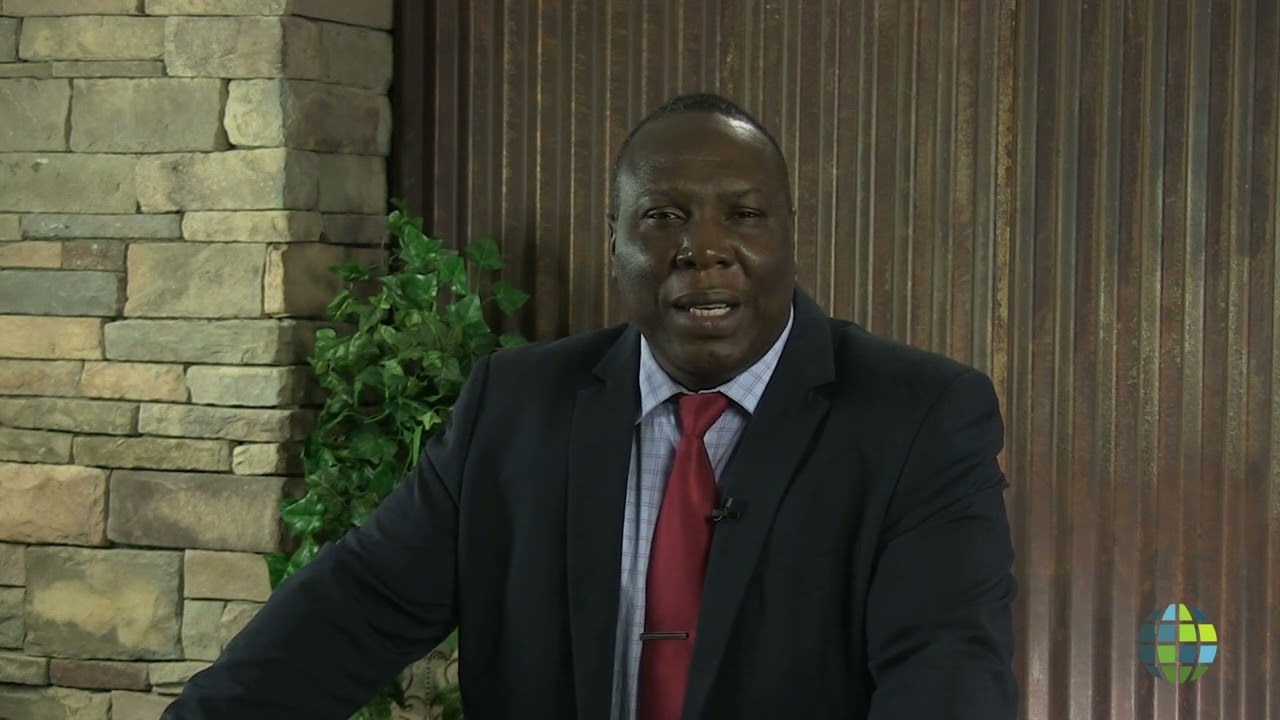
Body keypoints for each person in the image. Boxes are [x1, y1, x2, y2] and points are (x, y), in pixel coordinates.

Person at [164, 93, 1017, 719]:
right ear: (614, 241)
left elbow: (946, 675)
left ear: (789, 232)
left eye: (744, 215)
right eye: (663, 216)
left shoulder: (920, 420)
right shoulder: (514, 410)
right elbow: (349, 611)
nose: (704, 249)